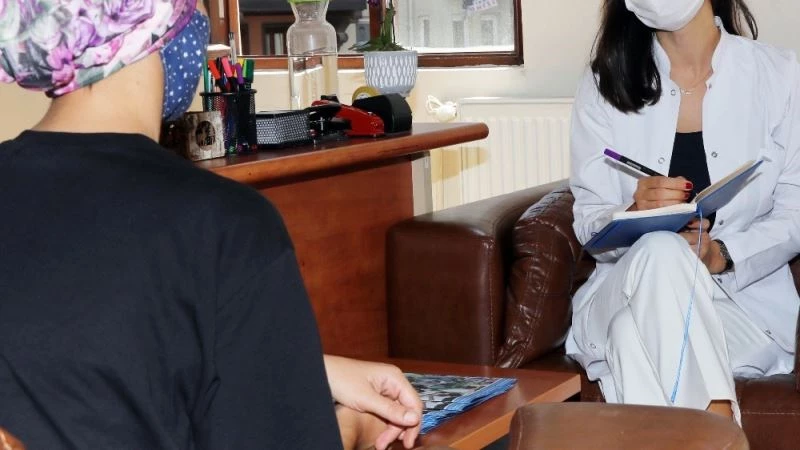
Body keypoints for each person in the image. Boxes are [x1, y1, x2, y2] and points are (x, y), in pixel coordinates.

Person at [0, 1, 421, 449]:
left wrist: (307, 369)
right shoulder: (223, 225)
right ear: (153, 26)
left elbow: (68, 358)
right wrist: (353, 427)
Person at [568, 0, 800, 423]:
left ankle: (711, 433)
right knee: (661, 248)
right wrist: (632, 211)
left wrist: (721, 254)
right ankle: (719, 422)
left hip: (742, 309)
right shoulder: (604, 83)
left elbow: (795, 210)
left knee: (629, 337)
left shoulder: (780, 75)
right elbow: (589, 221)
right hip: (623, 288)